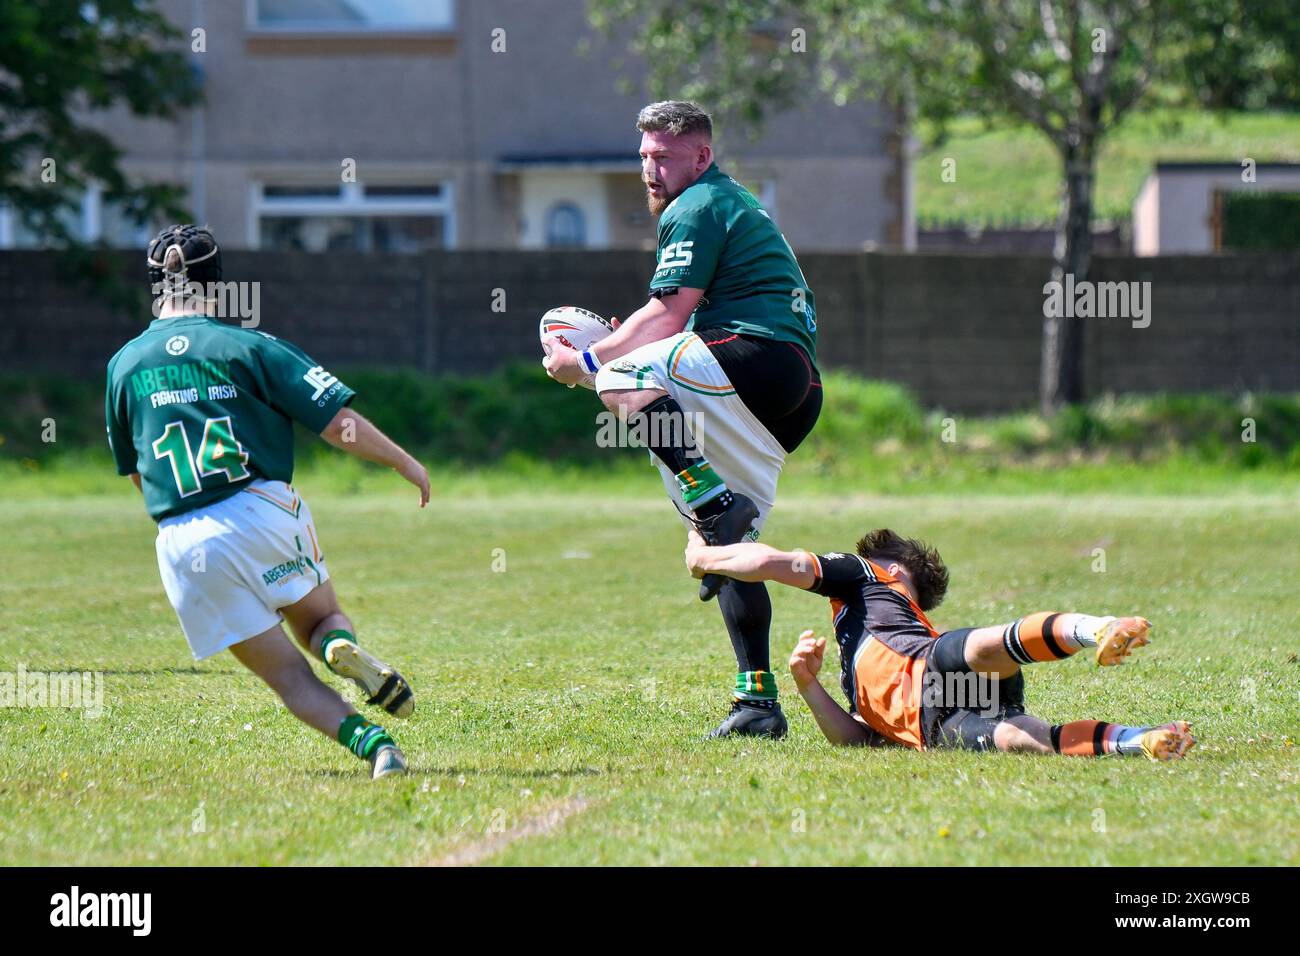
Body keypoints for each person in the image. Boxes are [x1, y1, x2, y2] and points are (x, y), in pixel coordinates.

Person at [105, 224, 430, 779]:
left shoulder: (124, 366)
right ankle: (338, 647)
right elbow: (337, 425)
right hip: (258, 510)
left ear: (155, 288)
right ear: (217, 285)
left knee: (287, 679)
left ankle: (377, 748)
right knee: (318, 619)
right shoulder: (249, 346)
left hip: (183, 541)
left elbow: (138, 474)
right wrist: (402, 461)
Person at [543, 101, 822, 738]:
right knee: (725, 551)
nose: (651, 170)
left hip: (758, 359)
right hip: (789, 391)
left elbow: (667, 317)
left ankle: (709, 497)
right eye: (643, 157)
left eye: (664, 157)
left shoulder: (695, 205)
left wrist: (585, 358)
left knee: (621, 377)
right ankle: (757, 701)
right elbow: (677, 322)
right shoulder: (726, 202)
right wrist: (620, 356)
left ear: (701, 155)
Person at [684, 527, 1196, 760]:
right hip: (934, 721)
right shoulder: (865, 648)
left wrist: (705, 558)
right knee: (1023, 738)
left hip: (929, 668)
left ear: (893, 564)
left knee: (981, 650)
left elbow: (770, 563)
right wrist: (807, 685)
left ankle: (1099, 627)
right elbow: (860, 740)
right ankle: (1142, 739)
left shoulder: (868, 572)